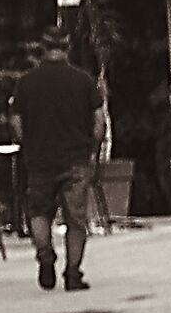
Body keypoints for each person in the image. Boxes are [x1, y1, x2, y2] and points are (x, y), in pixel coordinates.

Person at [11, 31, 104, 293]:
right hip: (75, 159)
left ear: (43, 48)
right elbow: (99, 123)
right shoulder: (83, 81)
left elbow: (16, 123)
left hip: (39, 160)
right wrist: (93, 152)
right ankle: (73, 274)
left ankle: (45, 256)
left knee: (39, 212)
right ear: (67, 47)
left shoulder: (26, 83)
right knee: (76, 220)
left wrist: (27, 145)